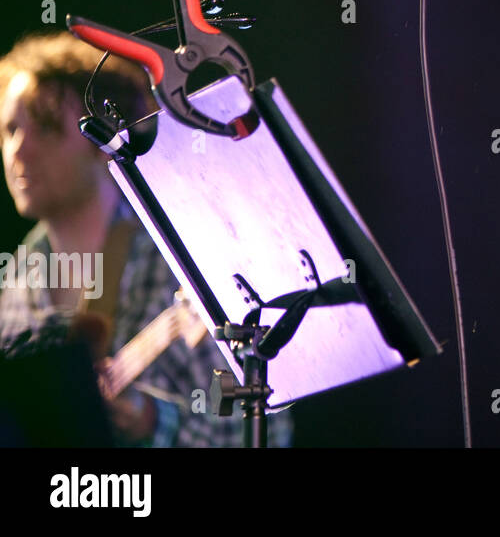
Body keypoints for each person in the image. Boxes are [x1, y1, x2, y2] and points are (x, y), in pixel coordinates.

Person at [0, 31, 291, 446]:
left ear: (101, 141)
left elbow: (264, 431)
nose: (19, 151)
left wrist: (155, 422)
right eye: (10, 129)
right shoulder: (13, 286)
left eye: (45, 128)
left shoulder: (181, 263)